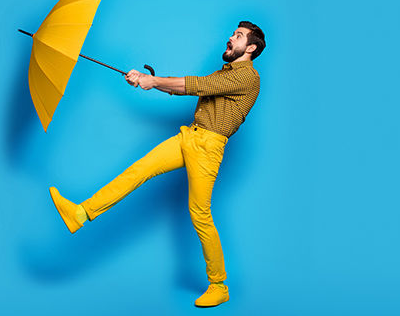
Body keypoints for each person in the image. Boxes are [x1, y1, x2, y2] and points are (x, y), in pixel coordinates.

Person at [49, 21, 265, 307]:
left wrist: (155, 81)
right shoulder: (227, 72)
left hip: (208, 147)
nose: (229, 38)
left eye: (237, 36)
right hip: (191, 136)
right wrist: (146, 81)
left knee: (199, 213)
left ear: (250, 48)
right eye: (233, 33)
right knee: (139, 170)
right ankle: (81, 214)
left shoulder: (248, 77)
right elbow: (190, 87)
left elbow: (197, 85)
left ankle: (219, 285)